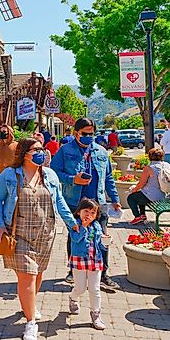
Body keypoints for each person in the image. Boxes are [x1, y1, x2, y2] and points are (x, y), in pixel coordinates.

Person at [0, 137, 76, 340]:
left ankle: (29, 304)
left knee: (38, 275)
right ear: (24, 153)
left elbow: (60, 201)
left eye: (42, 149)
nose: (41, 152)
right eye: (36, 149)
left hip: (46, 234)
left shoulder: (50, 175)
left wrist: (73, 223)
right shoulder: (10, 175)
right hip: (19, 234)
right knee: (27, 276)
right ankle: (30, 322)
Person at [50, 118, 120, 291]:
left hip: (99, 203)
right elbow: (54, 172)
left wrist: (115, 199)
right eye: (85, 134)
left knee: (102, 238)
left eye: (91, 133)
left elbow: (109, 177)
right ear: (76, 133)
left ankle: (103, 274)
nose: (89, 137)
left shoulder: (102, 151)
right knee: (75, 236)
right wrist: (72, 179)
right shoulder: (65, 150)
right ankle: (74, 271)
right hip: (75, 203)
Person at [66, 198, 110, 330]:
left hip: (95, 260)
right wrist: (83, 227)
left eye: (93, 212)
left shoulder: (97, 226)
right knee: (80, 288)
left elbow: (99, 242)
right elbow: (75, 238)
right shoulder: (75, 225)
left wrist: (105, 241)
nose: (89, 215)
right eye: (86, 211)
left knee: (94, 289)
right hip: (79, 259)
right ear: (79, 212)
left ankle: (96, 314)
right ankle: (73, 298)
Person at [127, 147, 170, 225]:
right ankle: (143, 215)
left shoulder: (149, 168)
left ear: (150, 157)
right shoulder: (167, 165)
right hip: (162, 195)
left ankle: (137, 217)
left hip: (152, 197)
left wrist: (134, 189)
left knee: (131, 198)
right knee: (141, 194)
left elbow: (141, 184)